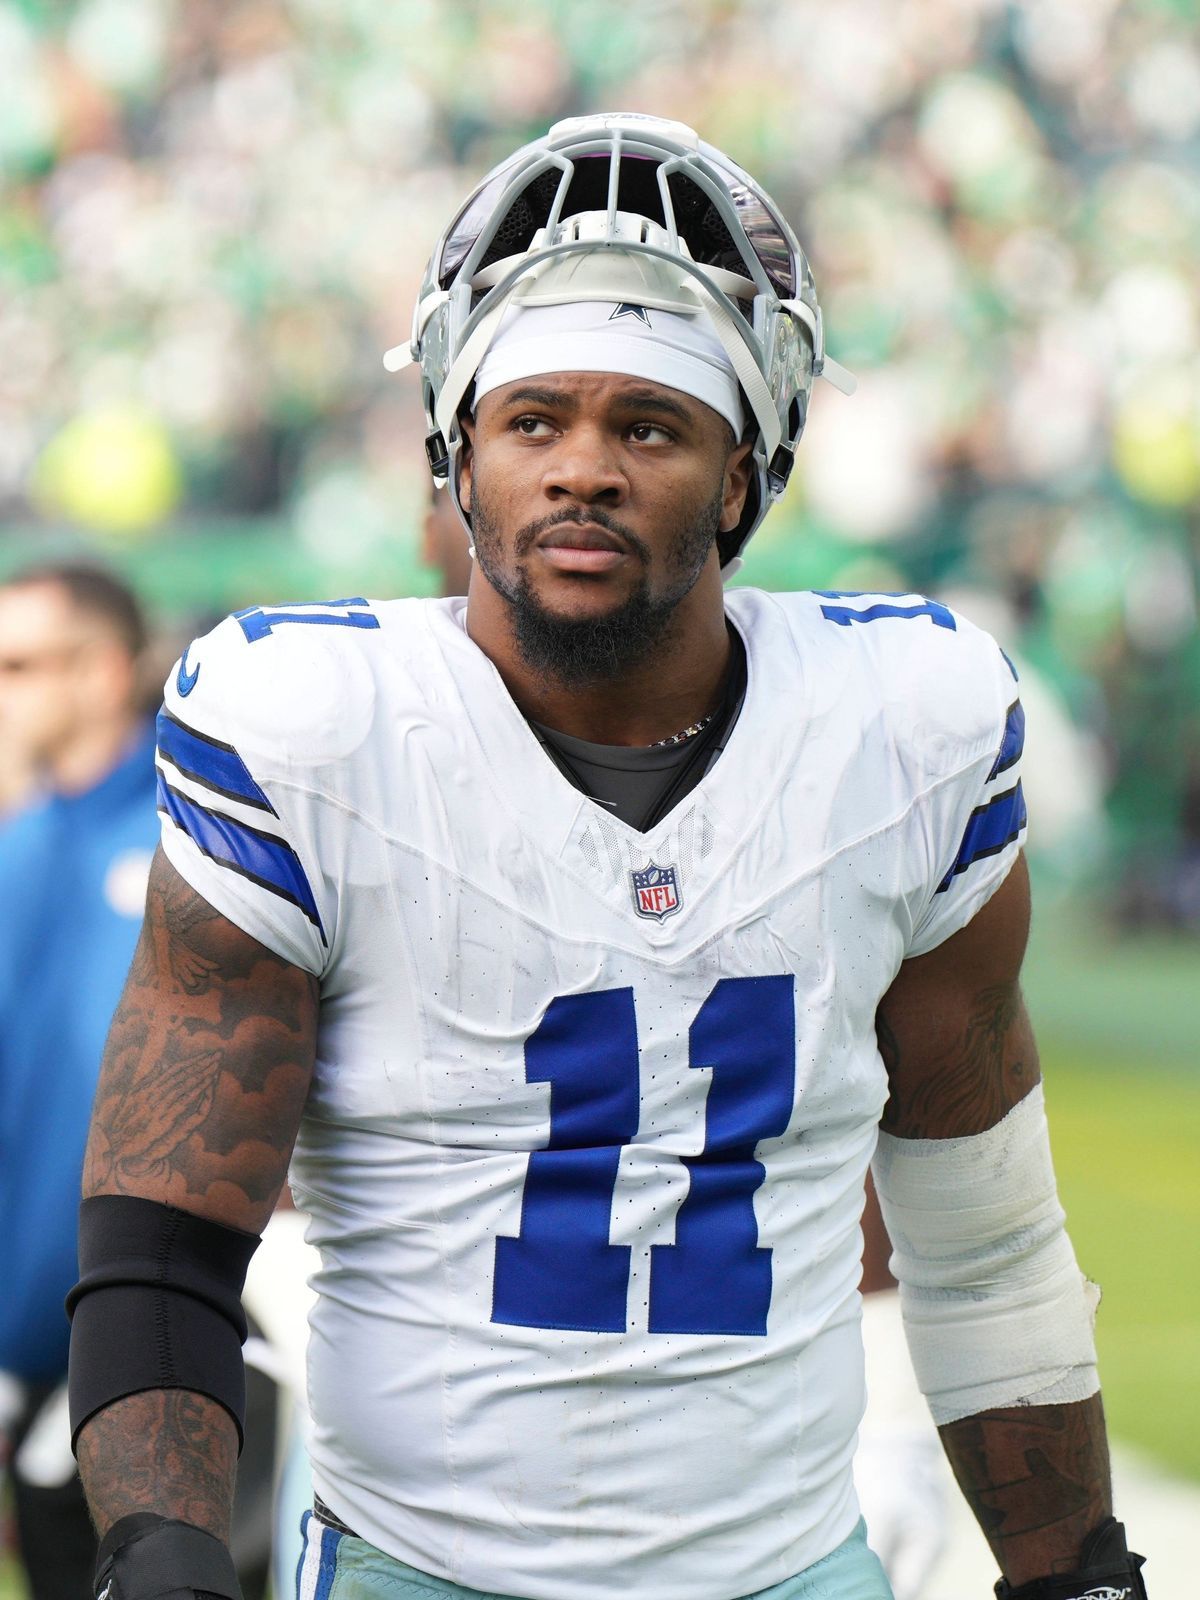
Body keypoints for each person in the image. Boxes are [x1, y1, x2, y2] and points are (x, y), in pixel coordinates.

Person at [67, 114, 1147, 1600]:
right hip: (415, 1565)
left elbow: (985, 1243)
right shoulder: (311, 730)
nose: (584, 469)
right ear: (457, 450)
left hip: (785, 1566)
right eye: (534, 421)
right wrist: (165, 1554)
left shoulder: (908, 724)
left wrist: (1073, 1567)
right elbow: (163, 1248)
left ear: (742, 470)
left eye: (649, 425)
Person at [0, 563, 160, 1600]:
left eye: (17, 665)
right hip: (20, 1345)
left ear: (103, 672)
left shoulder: (194, 834)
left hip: (143, 1342)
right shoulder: (25, 839)